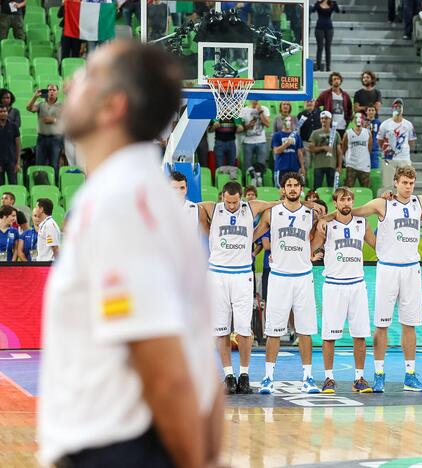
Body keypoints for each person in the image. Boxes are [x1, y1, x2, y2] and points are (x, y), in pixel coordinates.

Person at [39, 41, 223, 468]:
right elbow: (201, 366)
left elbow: (167, 371)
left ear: (113, 106)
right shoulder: (150, 199)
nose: (70, 82)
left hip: (117, 451)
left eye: (88, 76)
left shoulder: (120, 203)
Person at [318, 165, 422, 393]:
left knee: (410, 325)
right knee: (382, 325)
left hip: (411, 270)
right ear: (395, 183)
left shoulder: (420, 201)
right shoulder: (382, 203)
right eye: (404, 183)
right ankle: (379, 374)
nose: (408, 187)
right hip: (387, 269)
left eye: (411, 183)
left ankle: (410, 374)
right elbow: (351, 211)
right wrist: (325, 219)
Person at [198, 181, 285, 394]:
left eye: (234, 202)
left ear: (240, 199)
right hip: (217, 274)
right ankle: (228, 375)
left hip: (242, 275)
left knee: (244, 330)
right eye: (228, 202)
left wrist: (313, 207)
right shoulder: (211, 207)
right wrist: (207, 231)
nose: (231, 206)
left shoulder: (251, 207)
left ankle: (244, 374)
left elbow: (280, 204)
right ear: (222, 198)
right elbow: (190, 207)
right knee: (221, 329)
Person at [252, 172, 321, 394]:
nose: (292, 188)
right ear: (283, 189)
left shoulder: (311, 213)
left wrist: (311, 252)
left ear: (301, 188)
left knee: (305, 330)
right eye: (288, 185)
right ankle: (268, 377)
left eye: (296, 185)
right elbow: (253, 235)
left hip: (303, 277)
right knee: (274, 330)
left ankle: (308, 377)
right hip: (279, 277)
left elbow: (320, 233)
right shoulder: (272, 212)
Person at [311, 187, 376, 393]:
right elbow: (312, 247)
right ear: (335, 203)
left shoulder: (362, 223)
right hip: (334, 285)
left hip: (357, 284)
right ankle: (329, 378)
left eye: (349, 199)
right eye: (342, 200)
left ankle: (359, 378)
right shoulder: (327, 225)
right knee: (329, 335)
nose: (346, 203)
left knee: (360, 335)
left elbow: (378, 246)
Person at [377, 98, 417, 189]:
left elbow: (411, 141)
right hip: (389, 158)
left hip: (404, 158)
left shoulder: (408, 125)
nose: (398, 108)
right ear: (392, 108)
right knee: (388, 185)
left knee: (406, 184)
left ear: (403, 109)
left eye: (400, 106)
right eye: (396, 106)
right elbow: (380, 140)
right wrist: (386, 150)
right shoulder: (385, 124)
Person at [27, 84, 63, 175]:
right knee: (40, 164)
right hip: (42, 138)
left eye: (53, 90)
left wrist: (54, 120)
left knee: (54, 164)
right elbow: (29, 108)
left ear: (57, 92)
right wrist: (35, 97)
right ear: (46, 92)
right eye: (49, 90)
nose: (51, 92)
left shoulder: (62, 105)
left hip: (56, 139)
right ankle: (41, 185)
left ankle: (54, 186)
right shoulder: (41, 104)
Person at [308, 110, 342, 189]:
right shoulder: (315, 133)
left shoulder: (335, 133)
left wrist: (339, 166)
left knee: (332, 189)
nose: (324, 120)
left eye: (326, 118)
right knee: (317, 188)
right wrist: (323, 148)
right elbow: (311, 149)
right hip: (318, 165)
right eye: (322, 118)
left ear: (330, 120)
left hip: (331, 165)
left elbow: (339, 152)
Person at [271, 116, 306, 187]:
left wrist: (302, 167)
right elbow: (276, 151)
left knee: (295, 188)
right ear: (282, 122)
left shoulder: (297, 136)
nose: (288, 122)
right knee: (281, 189)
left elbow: (299, 153)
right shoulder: (277, 135)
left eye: (290, 121)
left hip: (294, 168)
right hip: (281, 167)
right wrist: (286, 144)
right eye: (286, 120)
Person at [240, 100, 271, 175]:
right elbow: (240, 128)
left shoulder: (265, 109)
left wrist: (260, 112)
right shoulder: (244, 110)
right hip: (247, 142)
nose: (255, 100)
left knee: (261, 166)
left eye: (256, 99)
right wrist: (249, 125)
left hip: (261, 141)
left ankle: (260, 182)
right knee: (248, 167)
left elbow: (267, 124)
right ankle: (249, 184)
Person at [342, 113, 373, 188]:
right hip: (351, 165)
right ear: (353, 120)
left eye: (360, 117)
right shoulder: (348, 133)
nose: (358, 119)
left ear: (363, 120)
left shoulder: (368, 132)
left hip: (364, 165)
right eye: (356, 117)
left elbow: (369, 148)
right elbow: (344, 148)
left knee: (366, 189)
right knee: (348, 189)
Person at [312, 0, 340, 71]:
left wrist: (335, 3)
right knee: (320, 47)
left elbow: (338, 11)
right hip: (319, 28)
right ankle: (318, 65)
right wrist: (318, 2)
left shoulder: (332, 3)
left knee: (328, 48)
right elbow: (313, 10)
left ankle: (328, 66)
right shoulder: (318, 3)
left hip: (329, 28)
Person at [0, 106, 20, 185]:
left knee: (13, 185)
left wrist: (18, 163)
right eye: (1, 111)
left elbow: (18, 145)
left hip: (11, 161)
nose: (3, 113)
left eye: (5, 111)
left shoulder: (14, 126)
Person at [365, 106, 382, 170]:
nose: (371, 112)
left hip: (374, 149)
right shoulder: (362, 122)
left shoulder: (378, 123)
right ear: (366, 111)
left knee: (374, 169)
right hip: (364, 149)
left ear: (375, 112)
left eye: (372, 110)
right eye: (369, 110)